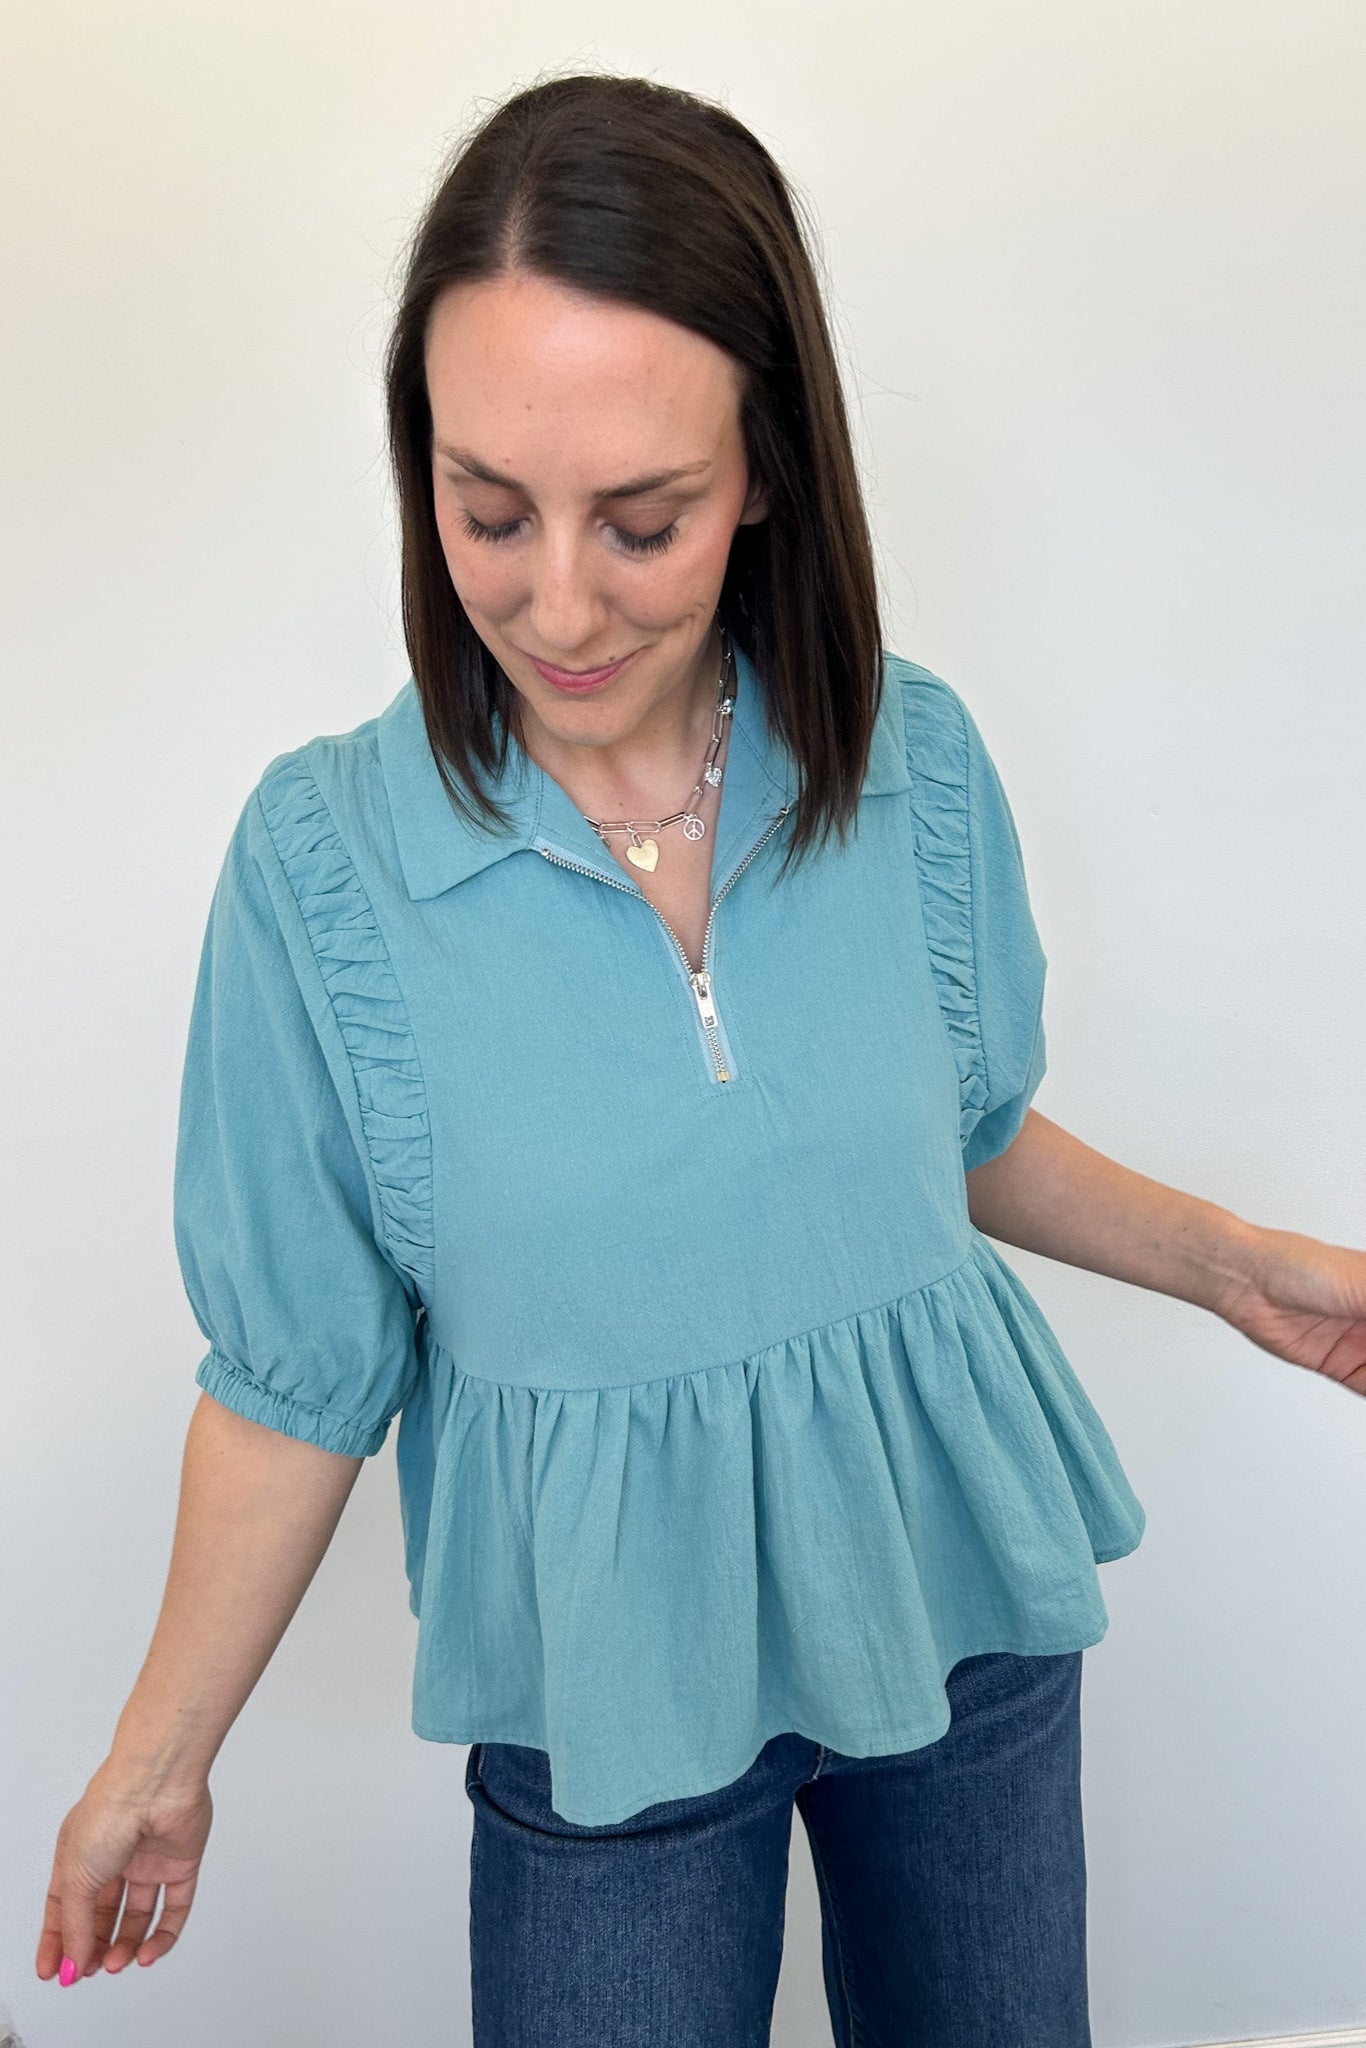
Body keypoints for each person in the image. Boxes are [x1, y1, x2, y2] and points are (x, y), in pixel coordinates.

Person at [36, 71, 1366, 2044]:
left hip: (958, 1610)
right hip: (606, 1693)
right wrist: (158, 1752)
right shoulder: (321, 870)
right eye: (484, 506)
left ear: (762, 475)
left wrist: (1236, 1262)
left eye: (637, 520)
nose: (552, 602)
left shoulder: (909, 759)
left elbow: (952, 1134)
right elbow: (297, 1374)